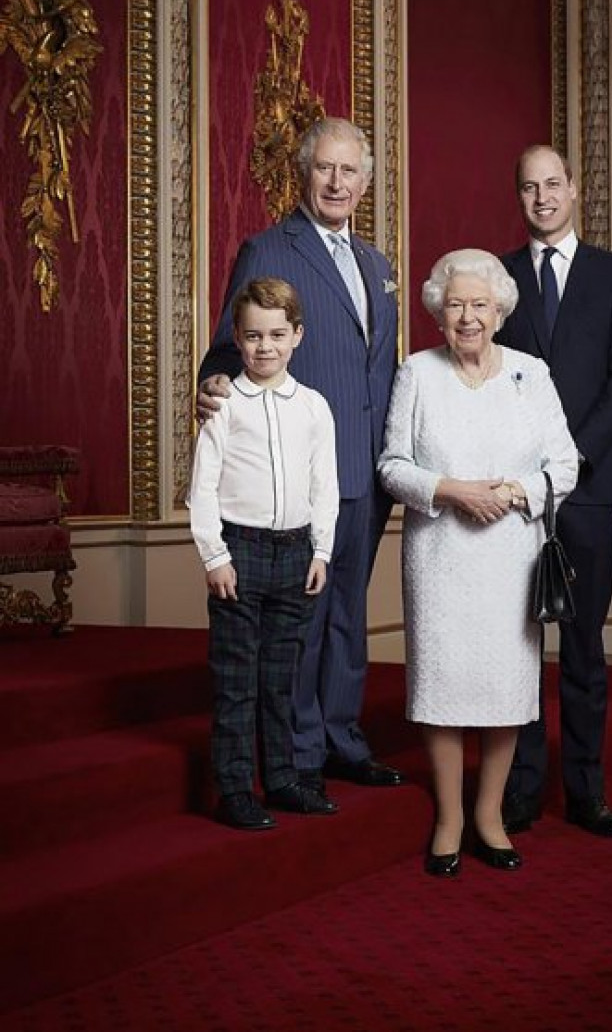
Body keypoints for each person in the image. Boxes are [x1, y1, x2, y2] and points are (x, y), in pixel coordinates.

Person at [196, 118, 402, 793]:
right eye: (325, 169)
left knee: (348, 616)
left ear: (365, 183)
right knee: (302, 625)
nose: (337, 182)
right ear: (304, 173)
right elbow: (230, 348)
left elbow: (379, 369)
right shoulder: (269, 249)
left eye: (350, 172)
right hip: (302, 470)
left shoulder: (377, 264)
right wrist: (213, 384)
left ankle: (343, 737)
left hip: (368, 470)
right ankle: (296, 754)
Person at [378, 249, 578, 876]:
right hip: (439, 554)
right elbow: (391, 466)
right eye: (457, 304)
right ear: (439, 310)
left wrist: (515, 493)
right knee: (441, 684)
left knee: (504, 688)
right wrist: (452, 491)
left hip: (509, 555)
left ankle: (489, 815)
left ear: (500, 310)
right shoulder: (417, 372)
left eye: (480, 305)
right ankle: (449, 817)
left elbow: (565, 464)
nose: (468, 317)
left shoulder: (531, 374)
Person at [496, 144, 612, 838]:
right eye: (529, 187)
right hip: (517, 492)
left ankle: (586, 791)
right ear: (520, 196)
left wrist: (571, 457)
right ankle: (522, 789)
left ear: (575, 190)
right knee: (520, 645)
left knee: (584, 645)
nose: (542, 197)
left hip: (588, 487)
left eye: (552, 184)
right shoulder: (494, 279)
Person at [189, 278, 340, 828]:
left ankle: (280, 779)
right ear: (237, 336)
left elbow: (325, 484)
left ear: (297, 335)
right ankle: (234, 789)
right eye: (253, 336)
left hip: (295, 553)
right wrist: (214, 555)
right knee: (236, 679)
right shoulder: (224, 404)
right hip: (240, 551)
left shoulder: (314, 407)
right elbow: (201, 487)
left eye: (277, 334)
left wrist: (320, 551)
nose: (265, 347)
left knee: (280, 678)